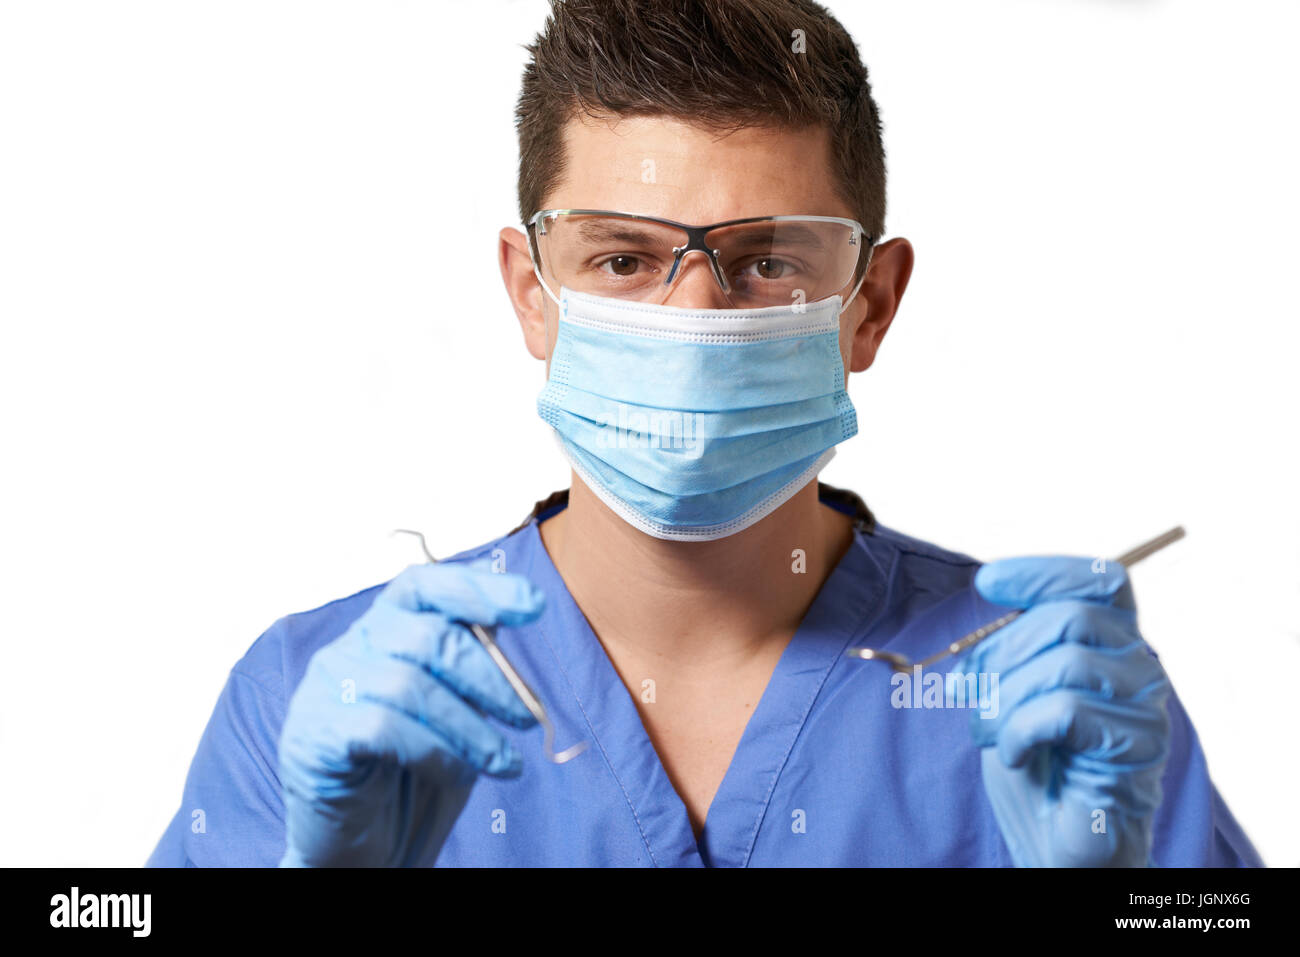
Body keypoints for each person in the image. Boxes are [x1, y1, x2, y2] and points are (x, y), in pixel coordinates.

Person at [146, 0, 1262, 868]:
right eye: (622, 259)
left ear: (867, 305)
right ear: (530, 292)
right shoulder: (317, 693)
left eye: (765, 260)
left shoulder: (1061, 702)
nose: (691, 317)